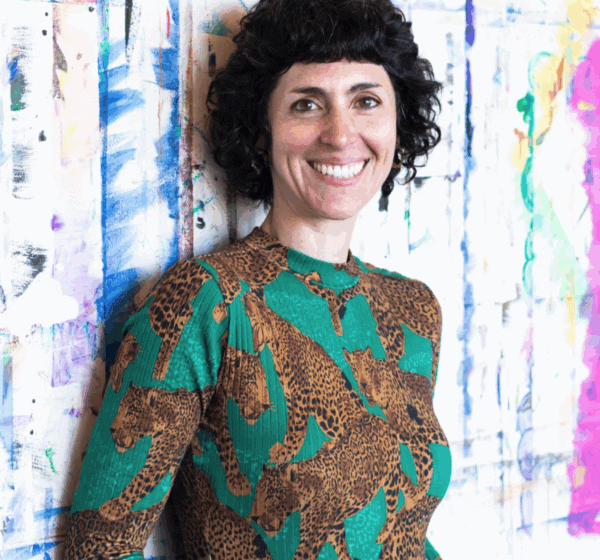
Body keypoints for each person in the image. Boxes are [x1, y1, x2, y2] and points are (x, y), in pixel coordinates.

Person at [64, 0, 451, 558]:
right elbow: (99, 546)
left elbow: (400, 527)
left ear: (398, 120)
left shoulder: (413, 309)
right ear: (262, 129)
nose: (340, 134)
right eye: (306, 104)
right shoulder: (208, 302)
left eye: (366, 101)